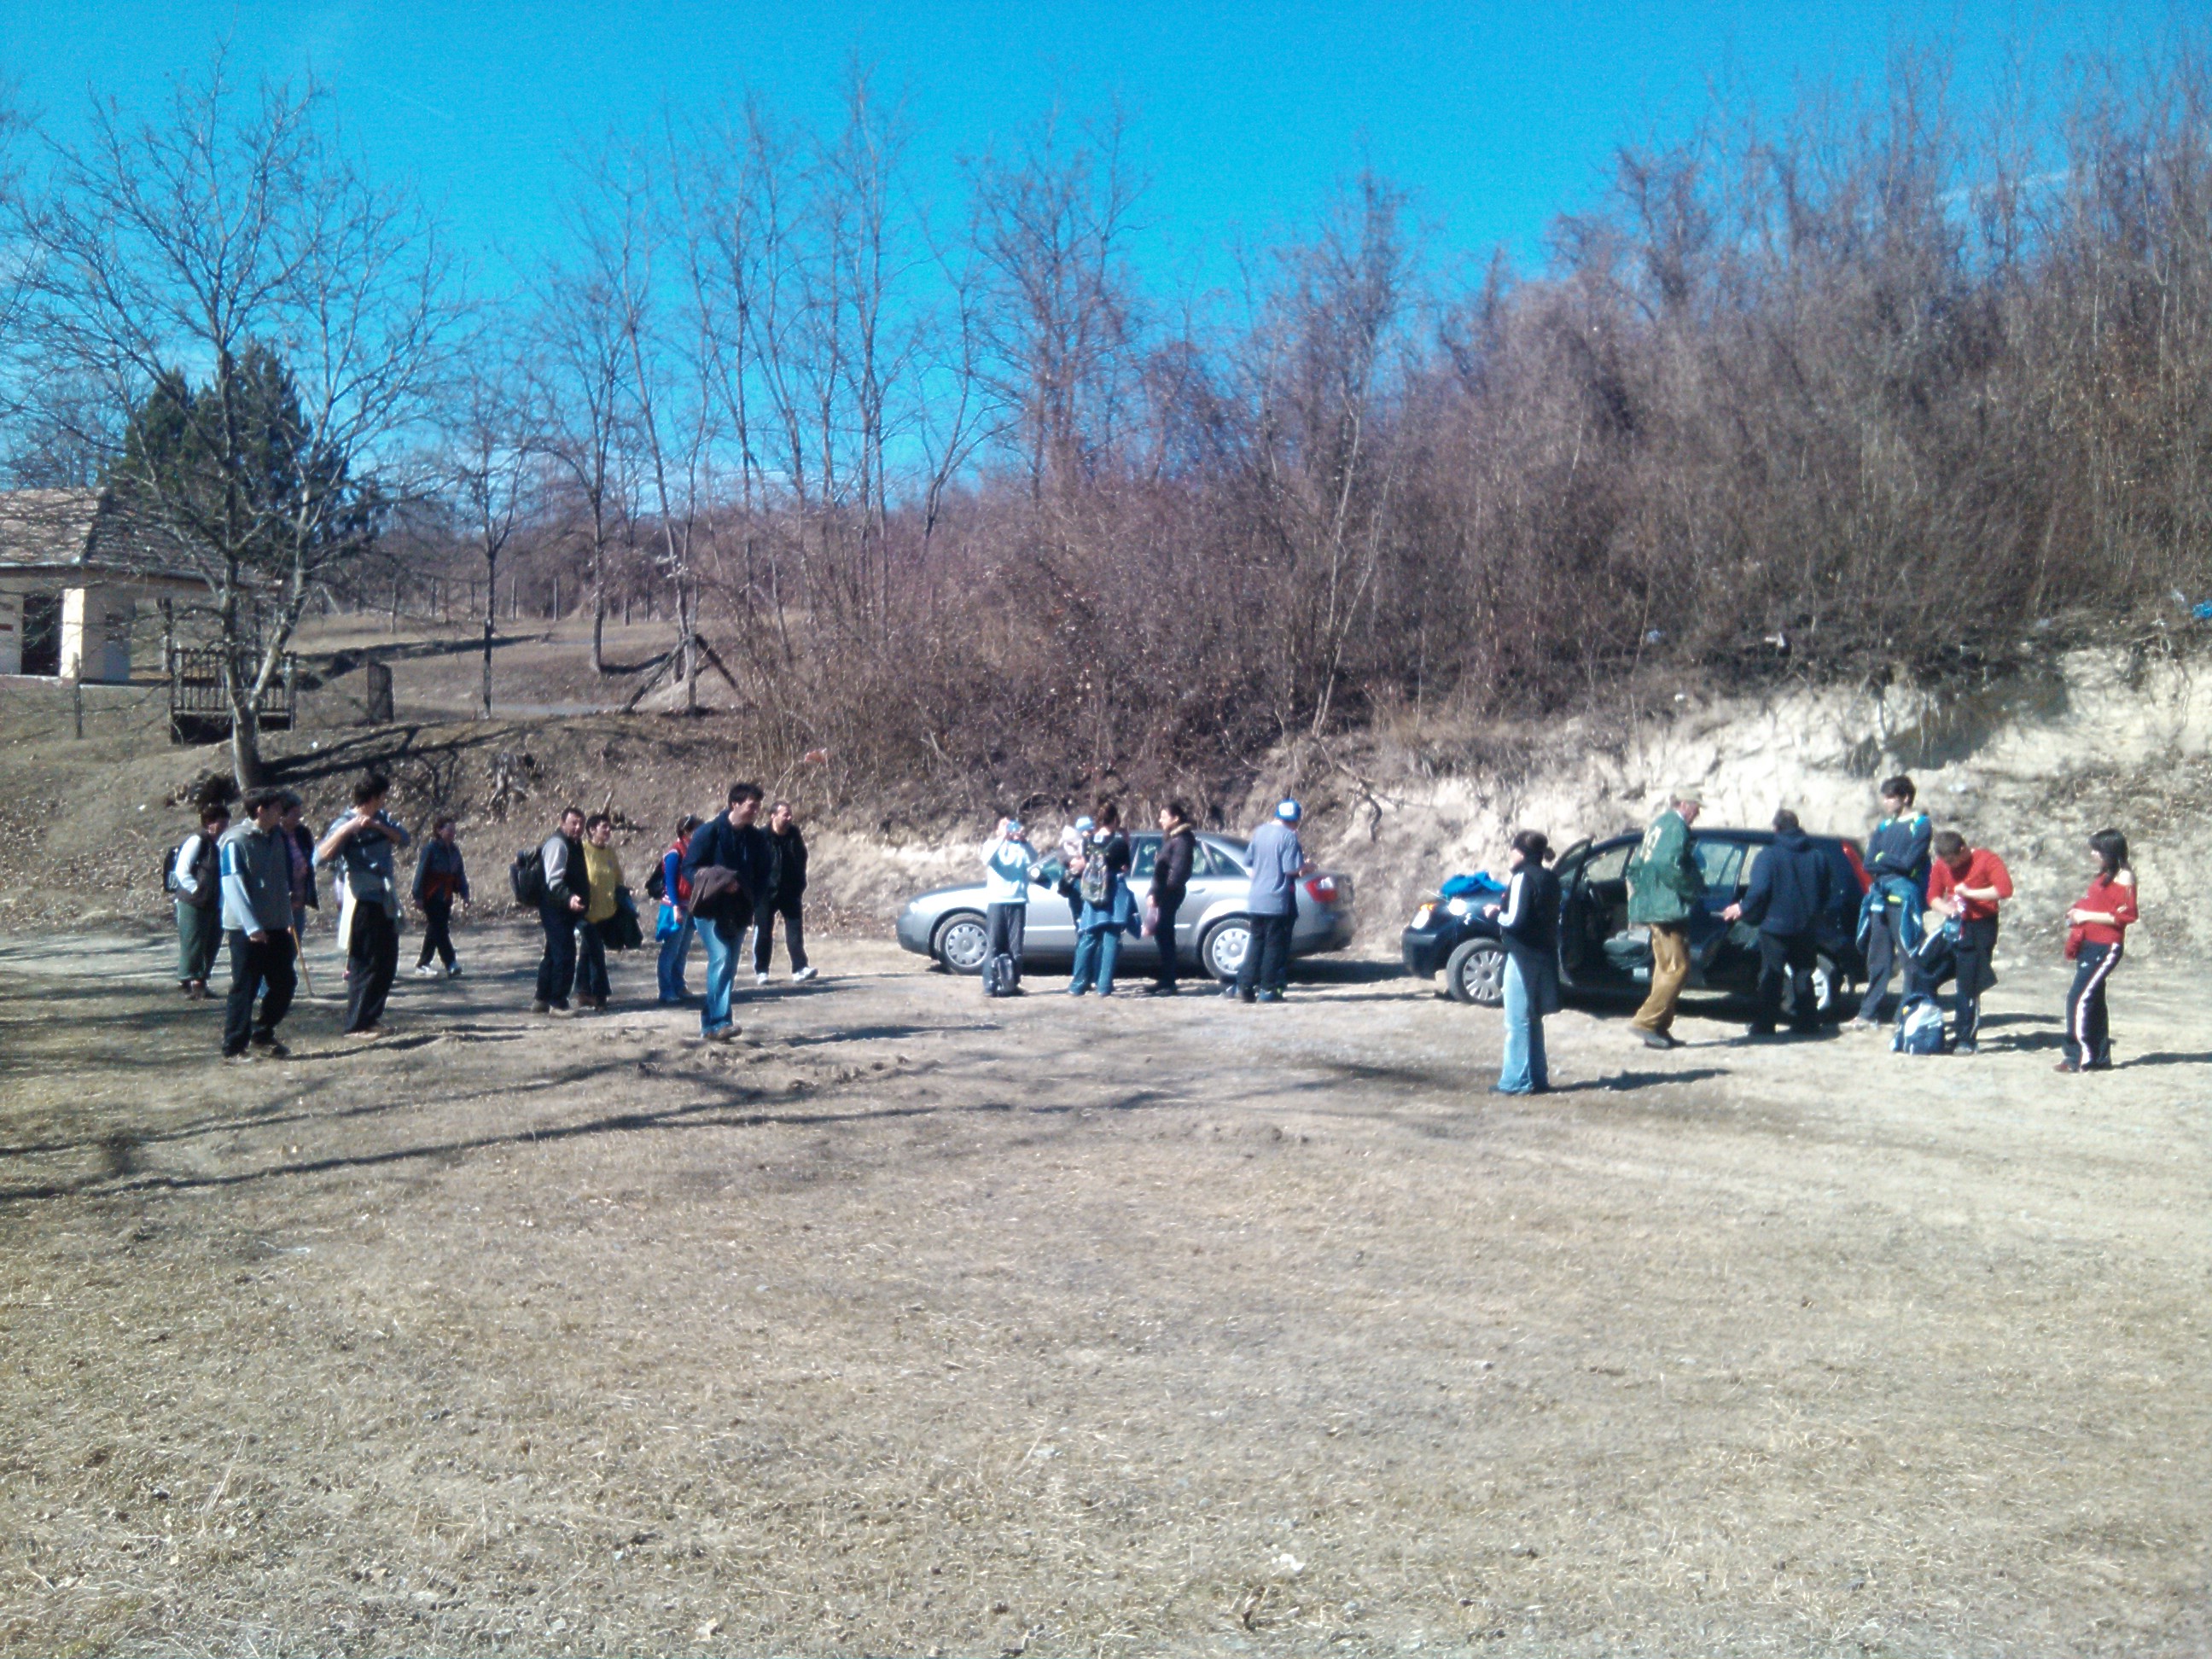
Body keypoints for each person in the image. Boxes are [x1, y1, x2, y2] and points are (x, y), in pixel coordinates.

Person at [1722, 809, 1837, 1038]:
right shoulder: (1817, 856)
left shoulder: (1768, 856)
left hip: (1775, 925)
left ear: (1776, 829)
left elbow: (1759, 890)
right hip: (1806, 926)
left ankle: (1765, 1024)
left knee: (1772, 974)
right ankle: (1808, 1022)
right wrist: (1814, 914)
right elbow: (1825, 892)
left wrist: (1742, 908)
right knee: (1803, 973)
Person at [316, 772, 410, 1039]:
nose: (385, 800)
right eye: (382, 796)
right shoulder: (343, 822)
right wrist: (348, 830)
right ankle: (356, 1024)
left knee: (387, 962)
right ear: (373, 797)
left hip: (384, 897)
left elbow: (404, 839)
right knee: (365, 963)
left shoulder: (383, 818)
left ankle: (371, 1017)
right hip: (361, 900)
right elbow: (320, 857)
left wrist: (378, 827)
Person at [1906, 830, 2014, 1055]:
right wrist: (1947, 909)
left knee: (1967, 984)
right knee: (1924, 968)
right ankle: (1927, 1023)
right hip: (1953, 925)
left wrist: (1970, 893)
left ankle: (1965, 1039)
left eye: (1952, 861)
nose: (1949, 866)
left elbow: (2004, 890)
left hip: (1980, 926)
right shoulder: (1941, 865)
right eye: (1945, 862)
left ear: (1963, 850)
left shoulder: (1987, 859)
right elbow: (1933, 897)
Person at [683, 783, 776, 1040]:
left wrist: (752, 897)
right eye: (751, 805)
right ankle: (720, 1021)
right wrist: (718, 882)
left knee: (729, 965)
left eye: (758, 805)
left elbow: (764, 873)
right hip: (710, 909)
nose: (756, 810)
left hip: (740, 910)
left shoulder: (756, 839)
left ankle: (710, 1024)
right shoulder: (709, 832)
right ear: (735, 804)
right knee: (721, 958)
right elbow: (689, 868)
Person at [217, 788, 297, 1061]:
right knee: (245, 987)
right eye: (276, 807)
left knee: (285, 982)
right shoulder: (235, 841)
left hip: (276, 925)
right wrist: (251, 926)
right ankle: (234, 1047)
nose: (281, 811)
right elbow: (232, 885)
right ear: (260, 810)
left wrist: (286, 918)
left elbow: (280, 882)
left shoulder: (277, 837)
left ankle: (262, 1034)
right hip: (245, 930)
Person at [1848, 776, 1931, 1029]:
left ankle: (1907, 1012)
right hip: (1879, 899)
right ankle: (1867, 1013)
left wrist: (1884, 859)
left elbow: (1909, 863)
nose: (1886, 802)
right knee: (1878, 958)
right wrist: (1888, 860)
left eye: (1891, 797)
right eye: (1884, 797)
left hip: (1905, 899)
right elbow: (1868, 863)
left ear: (1905, 797)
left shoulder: (1921, 824)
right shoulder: (1884, 826)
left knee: (1909, 957)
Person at [1626, 789, 1705, 1049]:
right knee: (1677, 968)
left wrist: (1647, 893)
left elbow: (1635, 868)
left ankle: (1659, 1027)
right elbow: (1669, 865)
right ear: (1684, 804)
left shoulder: (1658, 825)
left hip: (1656, 906)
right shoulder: (1675, 827)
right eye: (1696, 807)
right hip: (1667, 909)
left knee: (1665, 968)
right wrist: (1688, 890)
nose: (1698, 813)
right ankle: (1646, 1021)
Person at [1486, 830, 1562, 1094]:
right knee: (1533, 1019)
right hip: (1543, 953)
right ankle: (1537, 1078)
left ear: (1521, 853)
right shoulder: (1550, 877)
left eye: (1513, 849)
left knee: (1517, 1022)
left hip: (1522, 955)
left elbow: (1515, 920)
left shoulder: (1522, 877)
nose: (1510, 854)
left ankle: (1515, 1081)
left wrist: (1495, 914)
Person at [2058, 828, 2138, 1074]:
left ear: (2110, 851)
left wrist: (2086, 915)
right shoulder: (2105, 874)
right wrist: (2077, 912)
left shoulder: (2124, 877)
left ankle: (2077, 1056)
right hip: (2089, 943)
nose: (2093, 854)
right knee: (2094, 1002)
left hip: (2105, 946)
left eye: (2097, 850)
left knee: (2078, 998)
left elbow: (2126, 916)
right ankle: (2099, 1057)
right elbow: (2097, 903)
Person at [1231, 799, 1311, 1004]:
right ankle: (1268, 989)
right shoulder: (1289, 837)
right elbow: (1290, 869)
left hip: (1256, 898)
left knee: (1256, 942)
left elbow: (1248, 863)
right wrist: (1307, 867)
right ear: (1295, 820)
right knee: (1274, 946)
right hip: (1277, 899)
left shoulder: (1260, 832)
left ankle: (1245, 986)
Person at [1068, 800, 1134, 997]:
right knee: (1111, 938)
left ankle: (1077, 984)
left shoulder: (1088, 841)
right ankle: (1104, 986)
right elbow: (1125, 867)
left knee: (1088, 937)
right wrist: (1127, 842)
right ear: (1115, 820)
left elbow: (1085, 862)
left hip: (1092, 892)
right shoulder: (1119, 843)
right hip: (1112, 891)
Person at [754, 799, 817, 984]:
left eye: (790, 814)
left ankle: (800, 968)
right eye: (785, 814)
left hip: (790, 891)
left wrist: (800, 884)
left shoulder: (794, 834)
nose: (789, 818)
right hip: (766, 893)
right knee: (764, 932)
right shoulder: (761, 837)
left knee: (795, 931)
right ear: (773, 816)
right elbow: (754, 864)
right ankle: (761, 971)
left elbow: (802, 858)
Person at [172, 800, 230, 998]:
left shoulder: (221, 844)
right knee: (193, 942)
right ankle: (185, 982)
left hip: (215, 903)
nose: (224, 826)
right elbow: (182, 870)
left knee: (211, 942)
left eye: (226, 822)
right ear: (210, 822)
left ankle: (200, 982)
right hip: (193, 903)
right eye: (221, 822)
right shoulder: (198, 841)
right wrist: (197, 889)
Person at [533, 806, 588, 1015]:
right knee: (565, 953)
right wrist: (570, 897)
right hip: (555, 907)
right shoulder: (558, 844)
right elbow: (554, 880)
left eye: (581, 823)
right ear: (562, 823)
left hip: (563, 907)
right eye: (573, 823)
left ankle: (541, 999)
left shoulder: (574, 843)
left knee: (553, 953)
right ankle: (558, 1003)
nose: (578, 827)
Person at [1146, 800, 1198, 996]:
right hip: (1164, 891)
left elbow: (1177, 873)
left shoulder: (1182, 841)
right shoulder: (1172, 839)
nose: (1160, 820)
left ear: (1175, 819)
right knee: (1162, 934)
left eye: (1164, 817)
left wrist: (1160, 893)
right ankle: (1165, 978)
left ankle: (1169, 981)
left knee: (1165, 934)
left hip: (1170, 893)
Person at [982, 813, 1037, 992]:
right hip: (997, 901)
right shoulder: (991, 845)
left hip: (1018, 900)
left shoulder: (1020, 847)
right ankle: (990, 984)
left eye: (1010, 824)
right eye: (1003, 825)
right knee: (994, 944)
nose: (1008, 827)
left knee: (1016, 947)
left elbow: (1034, 859)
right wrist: (1003, 839)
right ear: (997, 829)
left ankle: (1012, 984)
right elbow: (987, 859)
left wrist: (1024, 841)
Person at [410, 815, 469, 979]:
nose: (452, 833)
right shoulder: (430, 849)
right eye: (449, 830)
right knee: (440, 929)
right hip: (431, 895)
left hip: (446, 896)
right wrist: (417, 895)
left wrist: (465, 895)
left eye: (454, 830)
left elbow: (460, 874)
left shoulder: (455, 851)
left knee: (435, 929)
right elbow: (420, 872)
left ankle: (423, 964)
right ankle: (451, 962)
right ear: (439, 831)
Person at [576, 812, 623, 1011]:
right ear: (591, 830)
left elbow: (618, 878)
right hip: (586, 913)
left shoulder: (610, 852)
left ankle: (583, 992)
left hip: (607, 912)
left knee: (587, 952)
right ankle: (600, 996)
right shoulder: (582, 851)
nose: (608, 830)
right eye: (604, 827)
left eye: (609, 827)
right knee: (596, 953)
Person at [657, 814, 702, 1005]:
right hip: (675, 907)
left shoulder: (695, 852)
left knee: (683, 950)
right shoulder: (675, 853)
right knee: (671, 950)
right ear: (686, 831)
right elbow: (670, 883)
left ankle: (679, 985)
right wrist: (676, 907)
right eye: (696, 829)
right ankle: (666, 990)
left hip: (690, 906)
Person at [277, 794, 318, 936]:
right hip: (281, 903)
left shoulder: (302, 833)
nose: (299, 816)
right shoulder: (273, 837)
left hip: (300, 898)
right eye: (294, 813)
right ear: (281, 815)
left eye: (299, 811)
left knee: (296, 942)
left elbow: (311, 860)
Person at [1057, 815, 1094, 934]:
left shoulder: (1092, 844)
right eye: (1089, 831)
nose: (1092, 833)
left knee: (1090, 920)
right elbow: (1074, 864)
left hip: (1091, 884)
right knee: (1081, 920)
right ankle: (1084, 941)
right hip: (1077, 884)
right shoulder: (1067, 847)